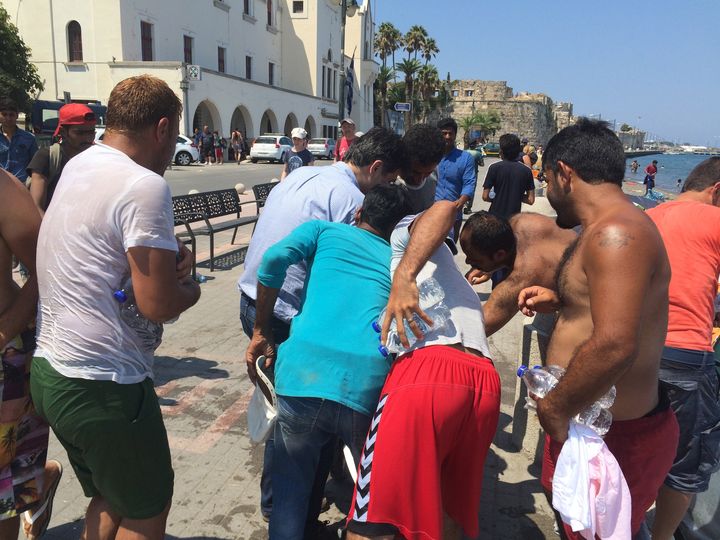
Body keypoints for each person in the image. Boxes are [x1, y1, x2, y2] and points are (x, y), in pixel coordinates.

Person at [30, 75, 201, 540]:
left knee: (109, 494)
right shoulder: (143, 185)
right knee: (147, 509)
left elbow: (100, 251)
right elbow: (158, 304)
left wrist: (166, 265)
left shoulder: (82, 164)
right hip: (104, 384)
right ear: (163, 129)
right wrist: (192, 286)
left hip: (52, 372)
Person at [516, 119, 679, 538]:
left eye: (547, 179)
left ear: (564, 173)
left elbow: (615, 345)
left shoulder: (616, 232)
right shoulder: (607, 229)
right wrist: (567, 301)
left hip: (614, 436)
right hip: (592, 425)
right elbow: (625, 315)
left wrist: (554, 408)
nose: (548, 192)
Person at [237, 126, 405, 527]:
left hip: (270, 320)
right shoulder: (363, 216)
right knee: (341, 468)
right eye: (390, 179)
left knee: (292, 441)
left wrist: (260, 326)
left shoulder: (303, 175)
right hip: (338, 359)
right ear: (377, 167)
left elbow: (273, 259)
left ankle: (285, 511)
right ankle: (301, 510)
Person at [346, 201, 500, 540]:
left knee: (373, 518)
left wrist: (403, 276)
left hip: (428, 374)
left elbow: (443, 208)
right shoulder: (453, 279)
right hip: (483, 380)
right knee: (447, 509)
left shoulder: (402, 242)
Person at [645, 157, 720, 540]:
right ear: (717, 191)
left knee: (637, 447)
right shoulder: (715, 220)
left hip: (638, 352)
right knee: (685, 465)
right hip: (688, 355)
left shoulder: (650, 216)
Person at [0, 168, 63, 540]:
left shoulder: (3, 188)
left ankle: (34, 491)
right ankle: (38, 489)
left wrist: (10, 325)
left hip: (4, 353)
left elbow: (47, 262)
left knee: (3, 493)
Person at [461, 211, 577, 336]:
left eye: (474, 259)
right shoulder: (520, 221)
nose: (467, 261)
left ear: (499, 255)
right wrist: (487, 266)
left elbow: (478, 327)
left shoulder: (523, 276)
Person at [482, 133, 535, 288]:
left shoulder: (494, 168)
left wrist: (497, 197)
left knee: (493, 253)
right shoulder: (525, 172)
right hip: (513, 221)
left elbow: (485, 196)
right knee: (507, 255)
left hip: (494, 219)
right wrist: (517, 195)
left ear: (502, 151)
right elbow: (531, 200)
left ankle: (495, 284)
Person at [27, 103, 97, 213]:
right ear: (63, 132)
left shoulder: (97, 158)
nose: (87, 138)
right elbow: (36, 207)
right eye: (80, 133)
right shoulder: (47, 157)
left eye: (91, 132)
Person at [434, 118, 477, 241]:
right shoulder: (431, 155)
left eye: (450, 133)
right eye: (444, 133)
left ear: (455, 135)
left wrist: (460, 202)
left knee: (449, 250)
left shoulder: (466, 158)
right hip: (430, 213)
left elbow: (469, 183)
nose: (447, 137)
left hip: (453, 214)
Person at [395, 123, 445, 214]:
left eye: (427, 173)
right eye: (415, 172)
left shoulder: (434, 174)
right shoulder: (388, 182)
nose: (420, 179)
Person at [0, 97, 38, 184]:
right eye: (4, 114)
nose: (8, 118)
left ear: (17, 115)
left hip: (22, 186)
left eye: (11, 115)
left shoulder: (29, 138)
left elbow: (35, 165)